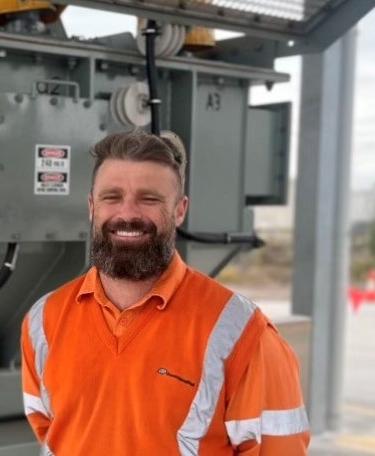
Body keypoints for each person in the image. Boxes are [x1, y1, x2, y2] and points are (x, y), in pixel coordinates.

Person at [21, 131, 310, 455]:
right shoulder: (44, 320)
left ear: (180, 210)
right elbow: (53, 433)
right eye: (111, 197)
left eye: (149, 199)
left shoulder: (243, 333)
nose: (127, 214)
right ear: (92, 206)